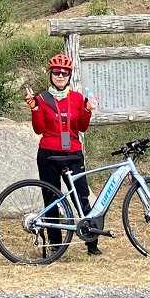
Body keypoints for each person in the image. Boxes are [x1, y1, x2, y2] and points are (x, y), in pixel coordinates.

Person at [25, 53, 101, 256]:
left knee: (81, 197)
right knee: (51, 198)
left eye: (64, 73)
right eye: (57, 73)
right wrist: (34, 109)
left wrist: (87, 110)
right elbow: (39, 129)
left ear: (69, 76)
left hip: (73, 152)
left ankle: (91, 242)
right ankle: (56, 244)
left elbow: (82, 127)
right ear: (50, 75)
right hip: (48, 152)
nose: (60, 76)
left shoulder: (77, 98)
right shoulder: (41, 98)